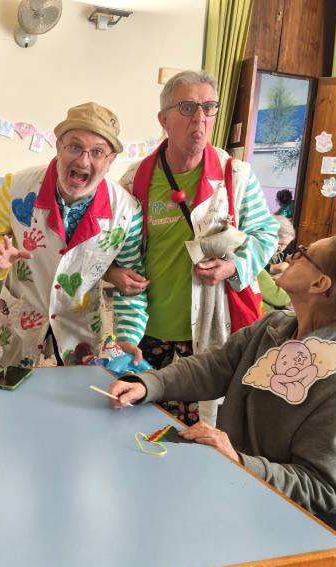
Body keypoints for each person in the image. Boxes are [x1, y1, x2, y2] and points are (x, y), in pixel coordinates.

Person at [107, 235, 336, 515]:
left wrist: (240, 462)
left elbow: (321, 490)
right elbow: (214, 367)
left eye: (304, 253)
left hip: (275, 515)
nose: (291, 256)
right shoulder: (276, 326)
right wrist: (148, 384)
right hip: (233, 486)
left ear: (319, 284)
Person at [106, 69, 279, 425]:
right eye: (187, 107)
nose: (199, 119)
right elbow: (112, 255)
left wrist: (233, 267)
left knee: (200, 429)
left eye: (208, 108)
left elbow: (266, 234)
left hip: (211, 333)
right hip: (147, 330)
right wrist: (112, 273)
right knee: (142, 424)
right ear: (164, 119)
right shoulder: (133, 181)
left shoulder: (236, 176)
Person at [0, 102, 146, 367]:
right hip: (23, 317)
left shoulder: (127, 212)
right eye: (74, 147)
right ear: (58, 146)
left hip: (81, 327)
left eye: (97, 152)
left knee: (75, 397)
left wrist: (128, 336)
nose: (83, 160)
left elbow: (133, 285)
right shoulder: (16, 187)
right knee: (11, 393)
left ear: (111, 160)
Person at [260, 215, 294, 313]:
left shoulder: (276, 255)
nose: (281, 249)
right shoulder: (256, 259)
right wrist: (272, 268)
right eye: (280, 243)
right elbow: (280, 298)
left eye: (285, 245)